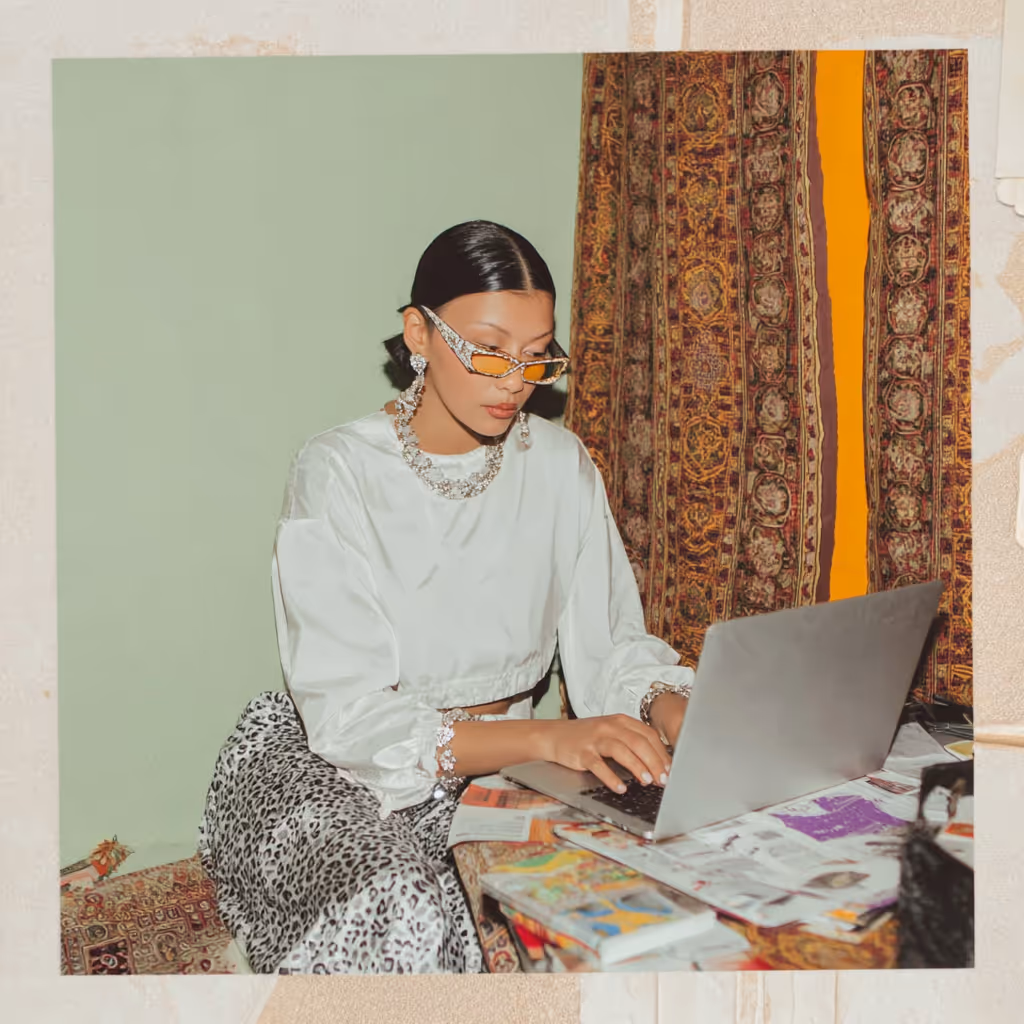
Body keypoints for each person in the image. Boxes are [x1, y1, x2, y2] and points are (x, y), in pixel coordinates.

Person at [198, 220, 695, 975]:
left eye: (537, 356)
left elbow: (611, 645)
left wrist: (673, 707)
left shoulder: (559, 464)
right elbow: (352, 717)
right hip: (349, 766)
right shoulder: (339, 470)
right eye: (489, 350)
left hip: (510, 767)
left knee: (648, 880)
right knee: (404, 908)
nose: (514, 381)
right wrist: (548, 739)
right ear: (419, 334)